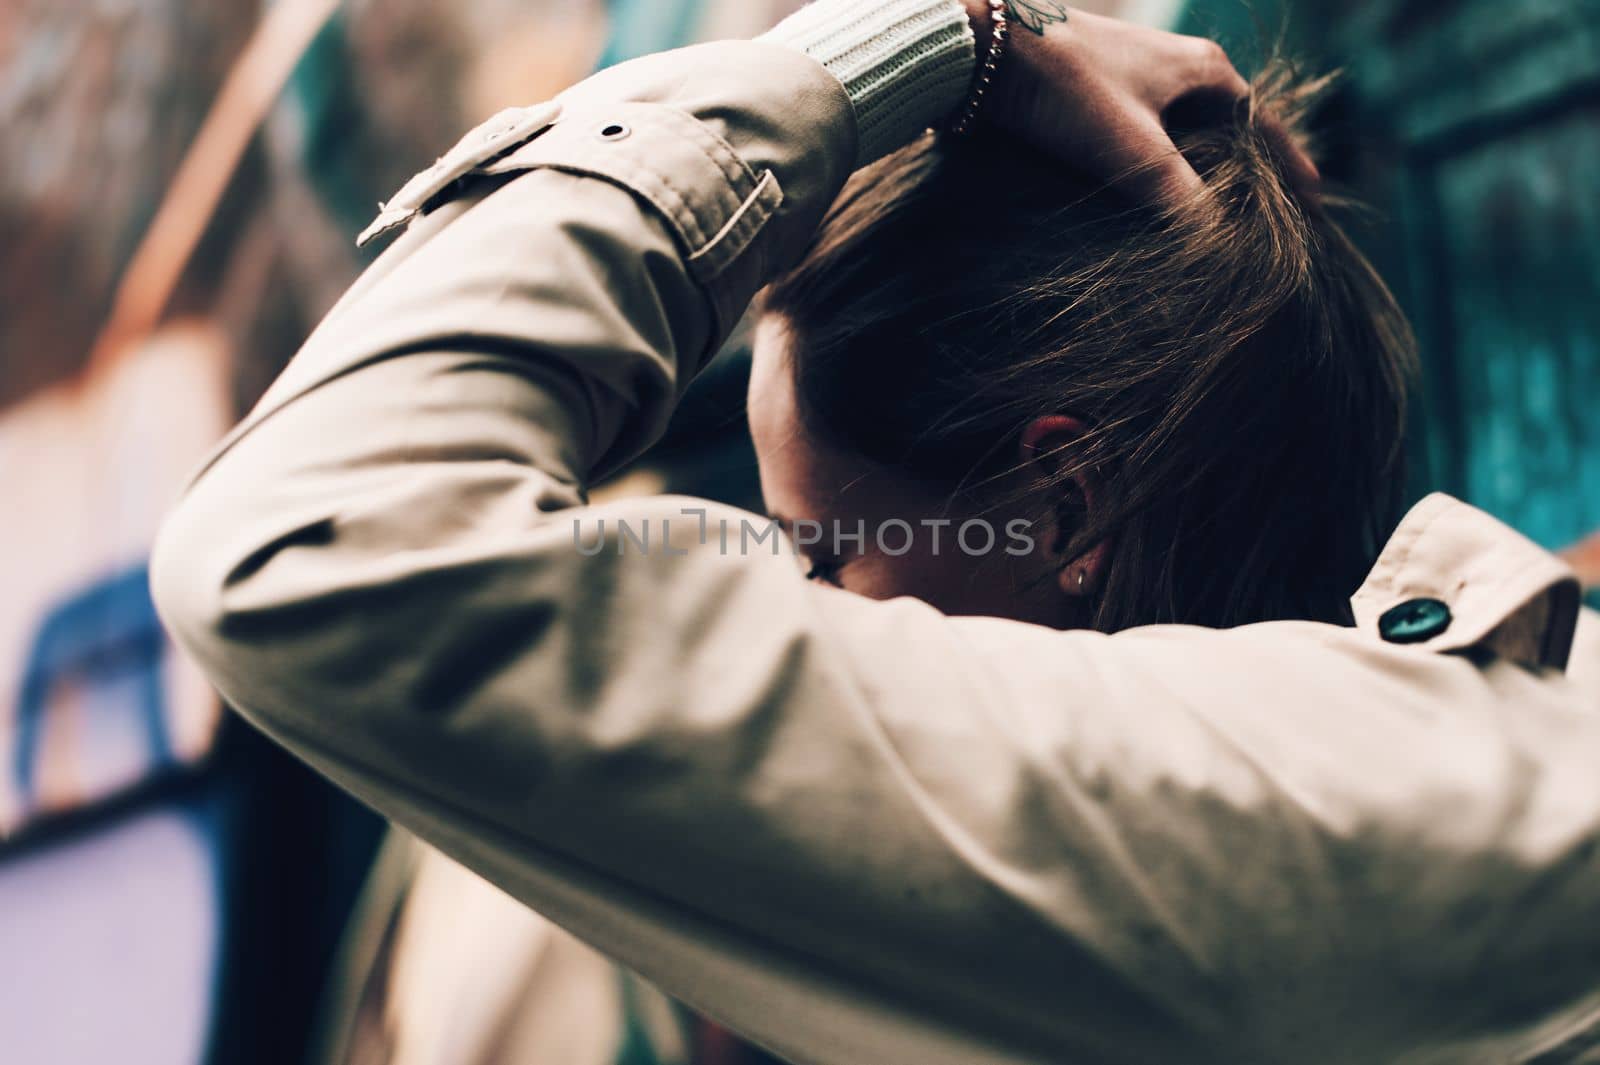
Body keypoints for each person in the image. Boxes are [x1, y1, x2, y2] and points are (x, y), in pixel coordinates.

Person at [151, 1, 1600, 1062]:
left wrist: (903, 52)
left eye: (823, 544)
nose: (800, 596)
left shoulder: (1252, 826)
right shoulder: (1429, 771)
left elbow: (314, 540)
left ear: (1062, 505)